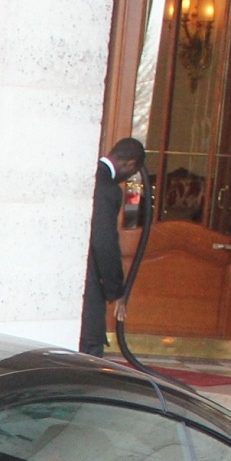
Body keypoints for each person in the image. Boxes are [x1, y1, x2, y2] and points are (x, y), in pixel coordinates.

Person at [81, 136, 145, 357]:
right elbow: (104, 241)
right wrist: (115, 291)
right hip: (87, 282)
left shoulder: (85, 173)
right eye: (132, 172)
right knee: (88, 350)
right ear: (129, 164)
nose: (128, 178)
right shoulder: (108, 188)